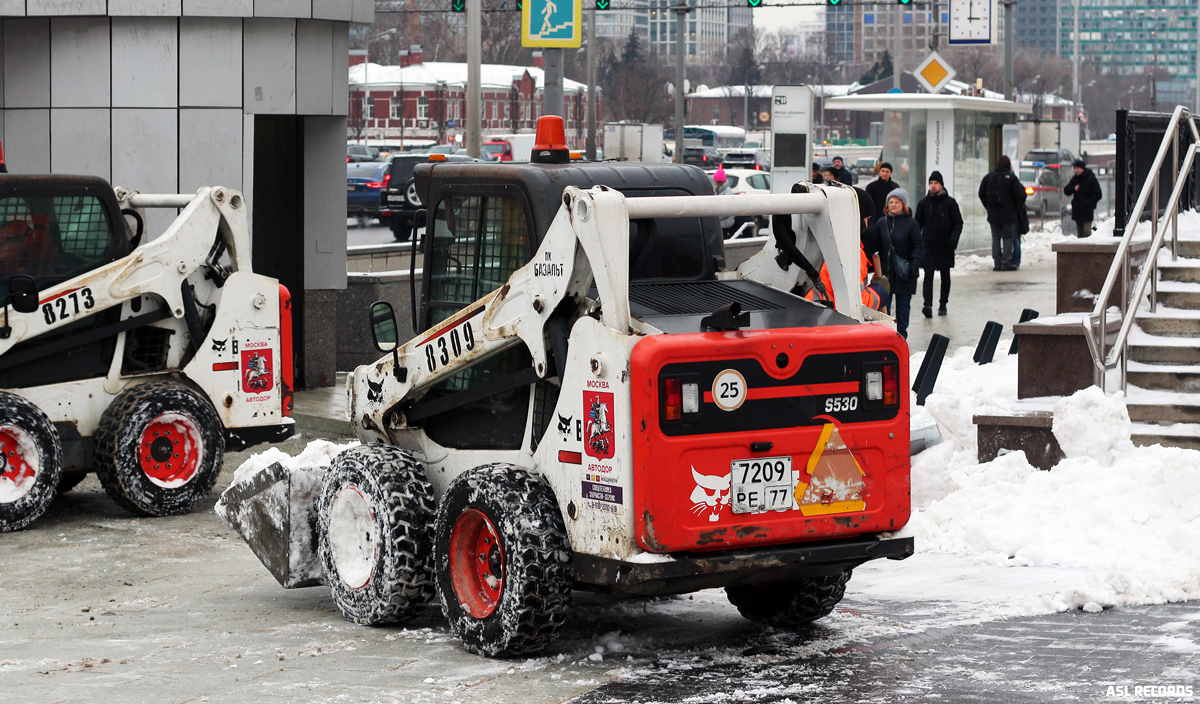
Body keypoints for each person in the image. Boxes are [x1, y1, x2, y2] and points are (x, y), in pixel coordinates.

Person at [868, 189, 923, 338]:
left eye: (896, 202)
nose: (893, 205)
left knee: (903, 308)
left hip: (905, 273)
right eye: (890, 202)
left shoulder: (911, 223)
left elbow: (918, 245)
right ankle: (888, 334)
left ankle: (901, 336)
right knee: (884, 307)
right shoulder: (881, 222)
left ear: (903, 204)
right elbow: (874, 245)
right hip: (886, 274)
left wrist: (914, 264)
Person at [915, 171, 963, 318]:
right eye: (931, 183)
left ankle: (943, 304)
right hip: (928, 245)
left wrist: (953, 240)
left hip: (946, 245)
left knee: (945, 275)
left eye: (936, 183)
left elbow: (958, 223)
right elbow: (917, 224)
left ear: (941, 185)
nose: (933, 186)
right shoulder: (923, 204)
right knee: (928, 275)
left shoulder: (950, 203)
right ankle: (927, 305)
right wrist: (918, 243)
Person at [978, 155, 1027, 271]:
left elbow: (981, 193)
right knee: (1008, 238)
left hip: (993, 215)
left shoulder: (989, 178)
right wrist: (1015, 209)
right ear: (1009, 165)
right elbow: (1018, 196)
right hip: (1009, 215)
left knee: (995, 238)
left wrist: (988, 207)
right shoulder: (1012, 179)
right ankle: (1006, 262)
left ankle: (997, 263)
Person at [1064, 159, 1102, 237]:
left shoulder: (1090, 179)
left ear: (1082, 168)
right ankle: (1080, 248)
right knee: (1080, 232)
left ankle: (1087, 248)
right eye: (1074, 168)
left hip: (1087, 210)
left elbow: (1098, 194)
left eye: (1077, 168)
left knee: (1087, 232)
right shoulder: (1075, 179)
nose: (1075, 170)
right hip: (1077, 209)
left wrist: (1089, 203)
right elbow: (1066, 190)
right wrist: (1074, 189)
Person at [864, 161, 899, 226]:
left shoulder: (895, 187)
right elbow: (867, 204)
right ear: (879, 171)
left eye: (887, 171)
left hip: (890, 218)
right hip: (874, 220)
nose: (884, 173)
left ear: (890, 173)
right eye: (883, 171)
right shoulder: (871, 187)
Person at [712, 166, 736, 236]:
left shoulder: (728, 192)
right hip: (721, 223)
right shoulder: (718, 191)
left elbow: (728, 210)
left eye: (715, 180)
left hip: (725, 225)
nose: (714, 182)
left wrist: (716, 217)